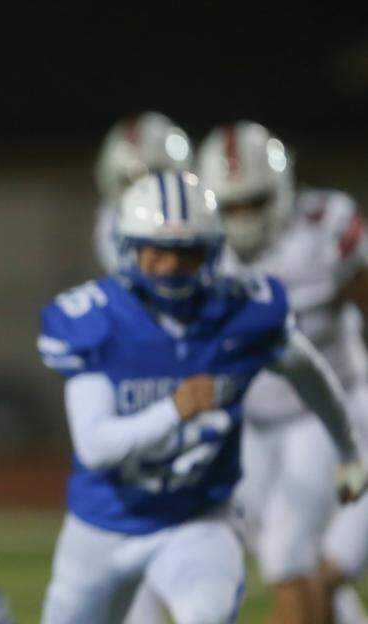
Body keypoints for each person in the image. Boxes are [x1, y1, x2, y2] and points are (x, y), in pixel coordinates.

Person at [37, 170, 366, 624]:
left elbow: (310, 374)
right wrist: (174, 409)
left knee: (206, 613)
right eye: (158, 253)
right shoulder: (97, 322)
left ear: (212, 251)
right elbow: (96, 447)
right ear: (131, 250)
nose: (171, 267)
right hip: (103, 525)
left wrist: (349, 450)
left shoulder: (246, 313)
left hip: (198, 521)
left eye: (187, 253)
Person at [199, 121, 368, 624]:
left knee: (289, 554)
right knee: (303, 570)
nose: (243, 217)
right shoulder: (197, 246)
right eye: (231, 206)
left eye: (254, 201)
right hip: (249, 422)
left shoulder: (325, 227)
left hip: (324, 408)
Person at [93, 112, 193, 274]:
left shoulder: (198, 216)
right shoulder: (111, 218)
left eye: (152, 178)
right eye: (129, 182)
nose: (141, 193)